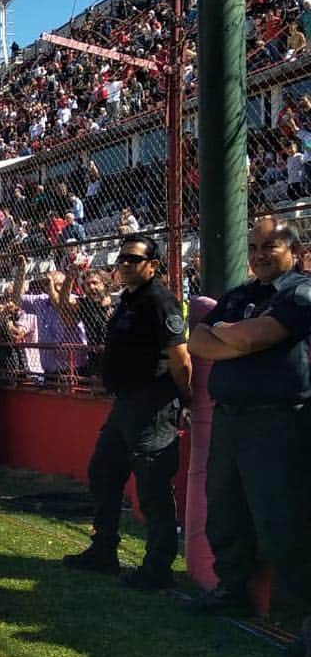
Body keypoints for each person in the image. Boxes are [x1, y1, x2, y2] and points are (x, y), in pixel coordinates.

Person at [186, 219, 311, 657]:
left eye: (270, 246)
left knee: (280, 523)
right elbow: (197, 341)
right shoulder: (241, 293)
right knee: (225, 510)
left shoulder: (299, 293)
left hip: (277, 423)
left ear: (295, 250)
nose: (259, 254)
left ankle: (303, 622)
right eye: (253, 246)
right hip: (232, 419)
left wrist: (227, 338)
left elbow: (256, 337)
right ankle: (231, 589)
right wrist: (231, 337)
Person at [63, 234, 193, 589]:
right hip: (125, 404)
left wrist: (185, 399)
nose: (124, 264)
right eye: (121, 259)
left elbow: (181, 358)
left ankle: (158, 568)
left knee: (151, 487)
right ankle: (104, 550)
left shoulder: (160, 301)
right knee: (103, 473)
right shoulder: (128, 300)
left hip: (153, 403)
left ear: (153, 265)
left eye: (133, 260)